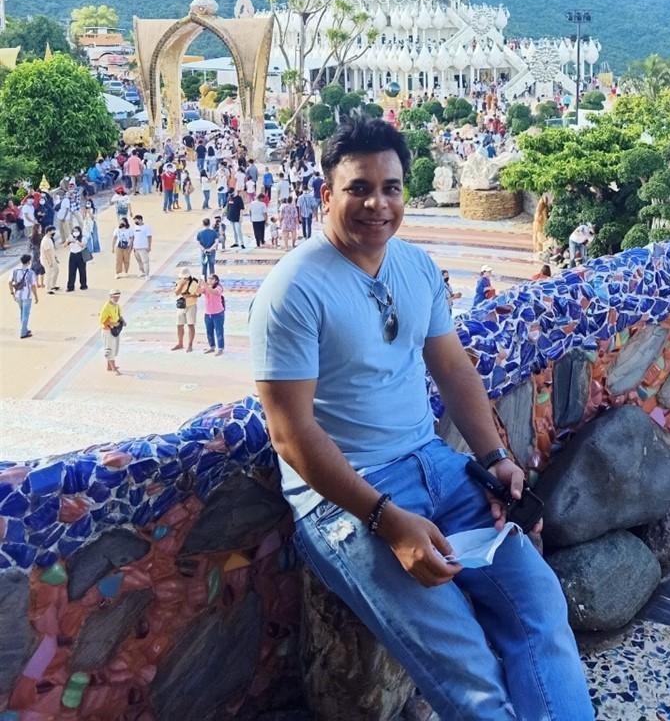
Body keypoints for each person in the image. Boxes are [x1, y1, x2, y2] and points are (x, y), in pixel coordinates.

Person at [250, 117, 592, 721]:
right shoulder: (293, 290)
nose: (377, 203)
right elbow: (290, 433)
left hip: (437, 466)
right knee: (468, 668)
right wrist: (387, 520)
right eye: (359, 188)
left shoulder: (415, 266)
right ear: (326, 194)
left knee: (540, 609)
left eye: (391, 187)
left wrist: (495, 460)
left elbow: (454, 369)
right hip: (346, 499)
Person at [9, 253, 38, 339]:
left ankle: (24, 328)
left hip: (18, 295)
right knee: (26, 314)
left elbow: (10, 282)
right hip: (27, 295)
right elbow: (33, 286)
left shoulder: (14, 270)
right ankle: (23, 332)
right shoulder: (31, 273)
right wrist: (36, 296)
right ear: (29, 262)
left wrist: (12, 293)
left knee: (22, 312)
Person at [172, 265, 201, 351]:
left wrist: (189, 295)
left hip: (191, 305)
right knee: (179, 325)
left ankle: (190, 344)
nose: (183, 278)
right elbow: (176, 293)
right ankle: (180, 343)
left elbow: (198, 294)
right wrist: (181, 285)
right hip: (181, 306)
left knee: (190, 325)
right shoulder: (179, 281)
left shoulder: (195, 282)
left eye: (185, 277)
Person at [99, 288, 124, 374]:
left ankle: (109, 366)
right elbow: (102, 320)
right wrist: (112, 323)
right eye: (115, 297)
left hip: (115, 330)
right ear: (110, 297)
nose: (117, 299)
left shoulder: (116, 305)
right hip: (108, 330)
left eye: (118, 297)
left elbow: (119, 315)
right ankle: (113, 368)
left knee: (114, 348)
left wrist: (122, 321)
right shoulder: (106, 307)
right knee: (109, 349)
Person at [201, 274, 226, 356]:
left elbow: (213, 292)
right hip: (208, 313)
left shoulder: (219, 287)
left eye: (211, 279)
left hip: (218, 313)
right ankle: (212, 346)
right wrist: (199, 284)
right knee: (209, 331)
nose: (209, 280)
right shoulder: (206, 287)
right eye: (208, 278)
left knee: (219, 331)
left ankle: (220, 348)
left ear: (216, 280)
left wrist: (205, 285)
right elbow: (198, 292)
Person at [65, 226, 88, 291]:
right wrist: (69, 241)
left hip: (80, 254)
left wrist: (76, 241)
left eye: (77, 231)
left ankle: (83, 285)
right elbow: (64, 245)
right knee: (71, 271)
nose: (75, 232)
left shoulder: (83, 237)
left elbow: (83, 245)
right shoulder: (70, 237)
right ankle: (70, 286)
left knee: (82, 271)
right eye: (74, 231)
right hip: (72, 255)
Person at [41, 226, 60, 294]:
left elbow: (52, 250)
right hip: (47, 260)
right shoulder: (46, 240)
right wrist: (50, 262)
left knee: (56, 270)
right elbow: (47, 252)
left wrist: (55, 258)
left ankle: (53, 285)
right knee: (49, 273)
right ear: (48, 232)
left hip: (52, 259)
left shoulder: (50, 239)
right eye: (53, 231)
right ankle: (48, 289)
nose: (54, 232)